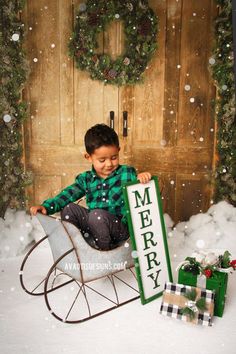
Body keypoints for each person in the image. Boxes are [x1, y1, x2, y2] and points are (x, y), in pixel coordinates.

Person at [30, 124, 151, 250]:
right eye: (102, 160)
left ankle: (104, 251)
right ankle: (77, 247)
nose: (109, 164)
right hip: (95, 227)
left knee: (96, 215)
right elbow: (68, 194)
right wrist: (47, 206)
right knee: (69, 209)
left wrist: (142, 179)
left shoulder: (126, 173)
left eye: (114, 158)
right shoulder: (86, 179)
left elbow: (143, 195)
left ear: (118, 150)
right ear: (89, 157)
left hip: (119, 229)